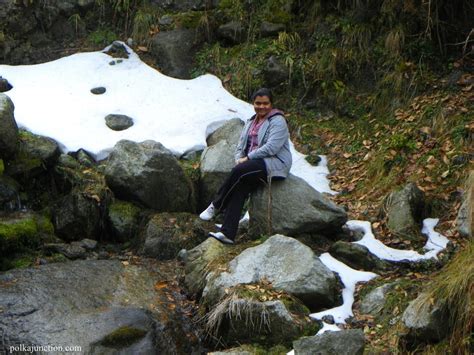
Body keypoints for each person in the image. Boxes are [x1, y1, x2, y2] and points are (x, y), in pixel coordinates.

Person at [199, 88, 292, 244]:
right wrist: (239, 158)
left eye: (265, 103)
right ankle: (228, 233)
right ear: (253, 103)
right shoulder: (251, 121)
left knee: (240, 171)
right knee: (240, 186)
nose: (261, 107)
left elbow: (272, 148)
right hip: (253, 163)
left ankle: (216, 205)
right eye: (258, 103)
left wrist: (247, 158)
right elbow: (240, 146)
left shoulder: (278, 121)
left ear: (271, 104)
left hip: (274, 162)